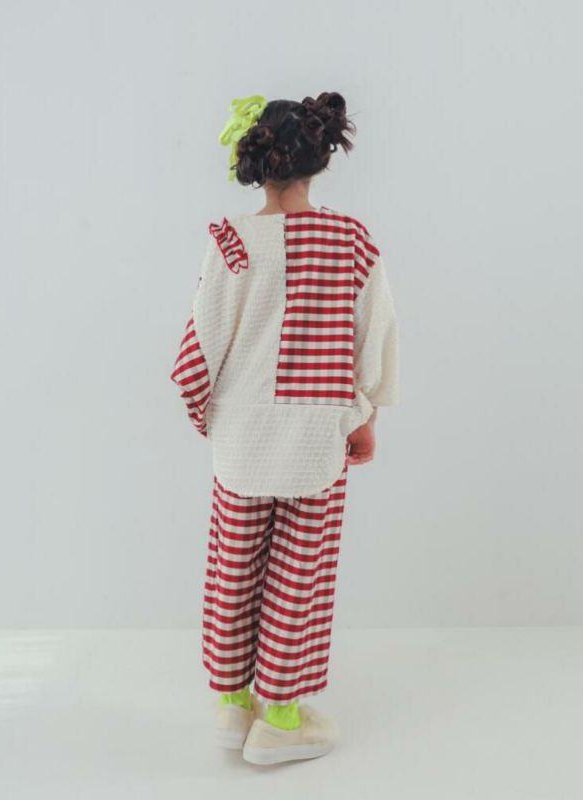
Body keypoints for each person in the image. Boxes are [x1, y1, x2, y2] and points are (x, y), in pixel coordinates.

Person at [170, 92, 400, 765]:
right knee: (299, 579)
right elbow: (374, 337)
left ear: (254, 161)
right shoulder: (351, 241)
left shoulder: (232, 241)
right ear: (320, 159)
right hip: (315, 441)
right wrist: (364, 414)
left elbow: (199, 346)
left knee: (234, 569)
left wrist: (207, 414)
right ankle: (282, 717)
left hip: (243, 440)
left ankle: (232, 705)